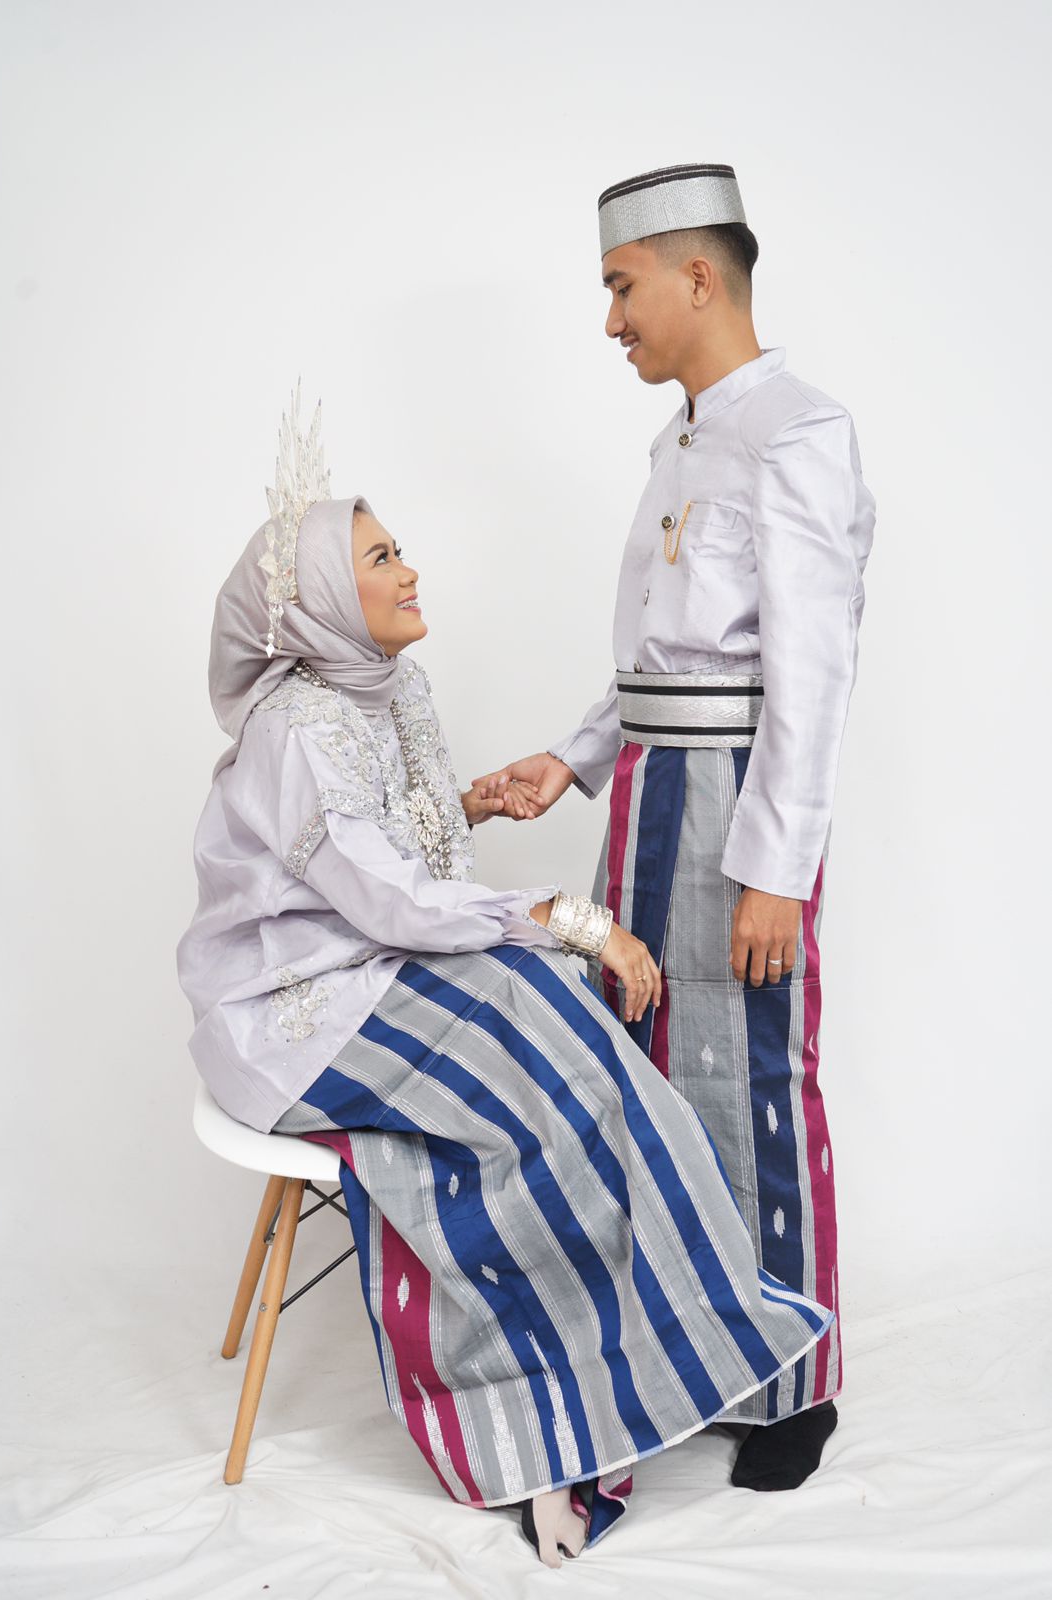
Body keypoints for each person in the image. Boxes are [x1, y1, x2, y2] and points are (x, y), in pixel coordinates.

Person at [176, 392, 835, 1566]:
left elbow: (392, 855)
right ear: (322, 600)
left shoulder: (389, 688)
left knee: (567, 1036)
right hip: (295, 1015)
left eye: (397, 547)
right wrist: (574, 921)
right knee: (544, 1071)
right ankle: (548, 1432)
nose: (408, 568)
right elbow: (384, 897)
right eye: (380, 558)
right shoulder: (296, 728)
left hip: (374, 966)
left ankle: (681, 1339)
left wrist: (469, 805)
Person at [473, 162, 876, 1493]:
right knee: (649, 1067)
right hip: (648, 794)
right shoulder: (680, 442)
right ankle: (698, 1348)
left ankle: (796, 1382)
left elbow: (809, 677)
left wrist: (776, 871)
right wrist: (572, 759)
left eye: (621, 286)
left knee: (753, 1073)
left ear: (697, 276)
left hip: (732, 806)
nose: (610, 320)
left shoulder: (797, 434)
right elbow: (661, 657)